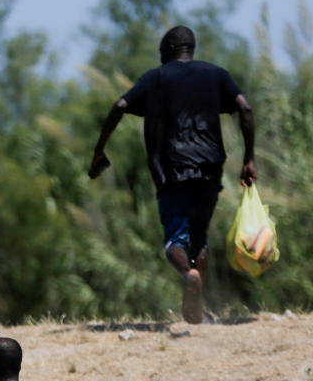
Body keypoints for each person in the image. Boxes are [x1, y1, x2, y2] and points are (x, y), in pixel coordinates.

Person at [88, 25, 256, 324]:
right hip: (210, 165)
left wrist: (99, 150)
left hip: (171, 168)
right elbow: (245, 108)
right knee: (199, 237)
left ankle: (188, 273)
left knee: (175, 239)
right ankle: (199, 308)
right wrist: (249, 158)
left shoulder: (156, 77)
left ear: (167, 50)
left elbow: (119, 105)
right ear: (191, 49)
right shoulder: (215, 74)